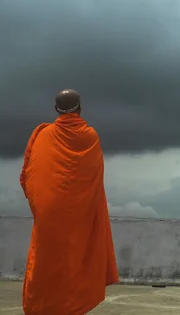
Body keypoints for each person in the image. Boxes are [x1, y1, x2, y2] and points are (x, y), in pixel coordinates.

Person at [20, 89, 119, 314]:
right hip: (79, 214)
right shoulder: (90, 135)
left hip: (48, 212)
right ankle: (71, 307)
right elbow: (94, 180)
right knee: (75, 258)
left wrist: (41, 205)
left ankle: (41, 307)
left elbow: (31, 176)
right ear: (80, 107)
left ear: (56, 109)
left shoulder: (43, 134)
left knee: (46, 259)